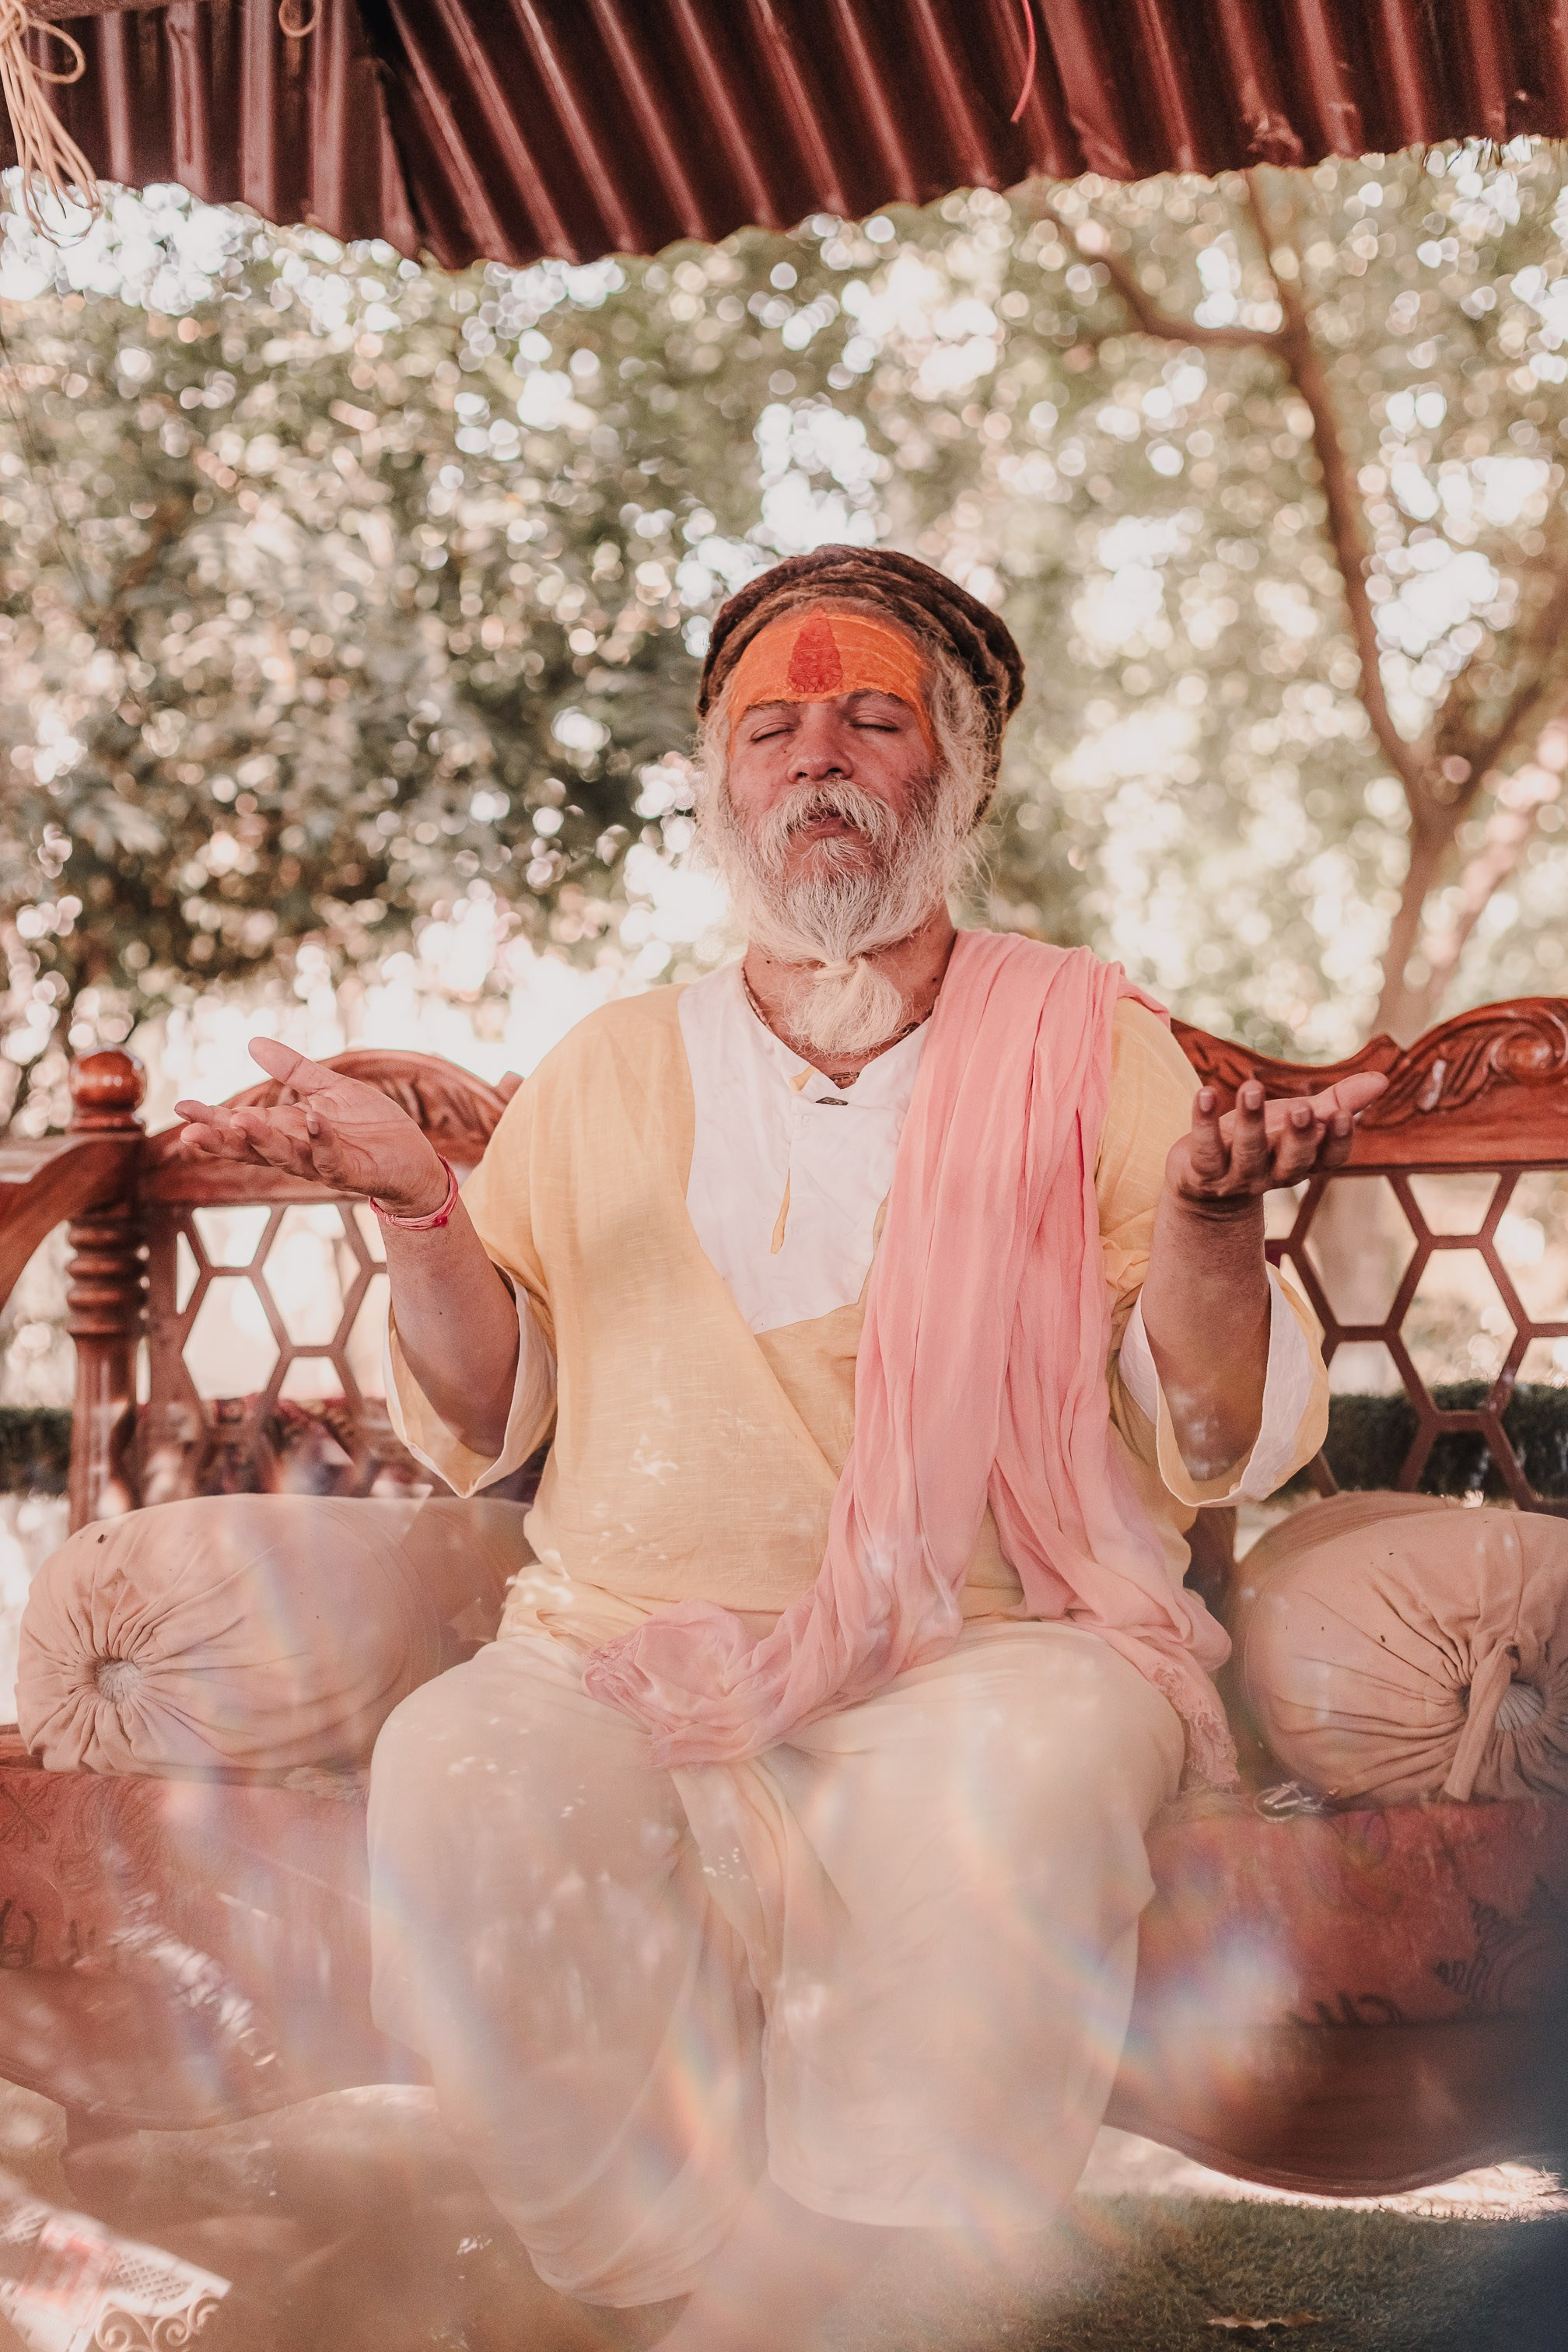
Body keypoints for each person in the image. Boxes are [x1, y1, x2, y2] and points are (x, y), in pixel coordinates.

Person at [176, 546, 1383, 2350]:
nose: (817, 756)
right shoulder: (605, 1069)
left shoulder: (1096, 1054)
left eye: (874, 718)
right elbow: (495, 1415)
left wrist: (1213, 1233)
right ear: (719, 789)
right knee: (463, 1765)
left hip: (1004, 1646)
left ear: (955, 781)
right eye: (772, 726)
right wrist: (424, 1209)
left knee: (1019, 1780)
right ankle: (669, 2280)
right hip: (621, 1644)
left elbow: (1213, 1437)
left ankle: (842, 2298)